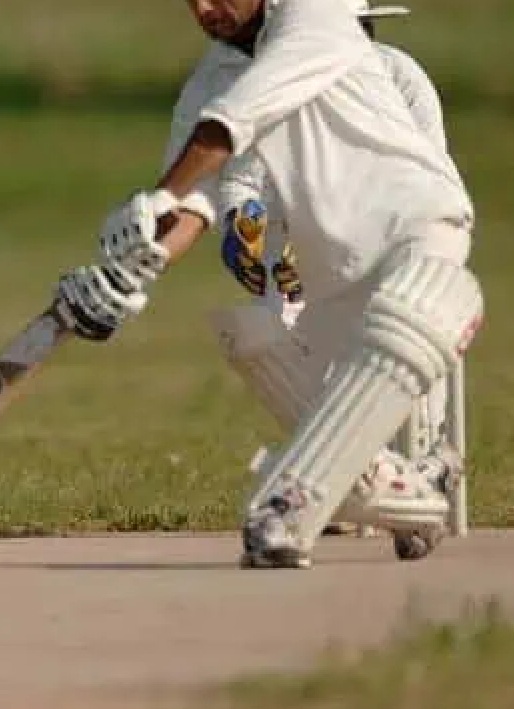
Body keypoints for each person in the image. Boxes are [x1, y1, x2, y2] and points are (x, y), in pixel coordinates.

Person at [55, 0, 482, 569]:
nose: (206, 8)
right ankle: (417, 489)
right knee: (251, 335)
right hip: (331, 281)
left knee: (408, 318)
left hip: (417, 228)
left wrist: (160, 195)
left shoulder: (317, 15)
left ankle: (289, 509)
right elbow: (192, 203)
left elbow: (231, 123)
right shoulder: (206, 86)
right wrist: (132, 266)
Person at [204, 0, 461, 542]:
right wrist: (245, 226)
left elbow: (426, 169)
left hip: (404, 245)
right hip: (321, 270)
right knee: (268, 345)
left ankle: (424, 464)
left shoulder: (398, 74)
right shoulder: (285, 76)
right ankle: (383, 487)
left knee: (398, 345)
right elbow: (243, 177)